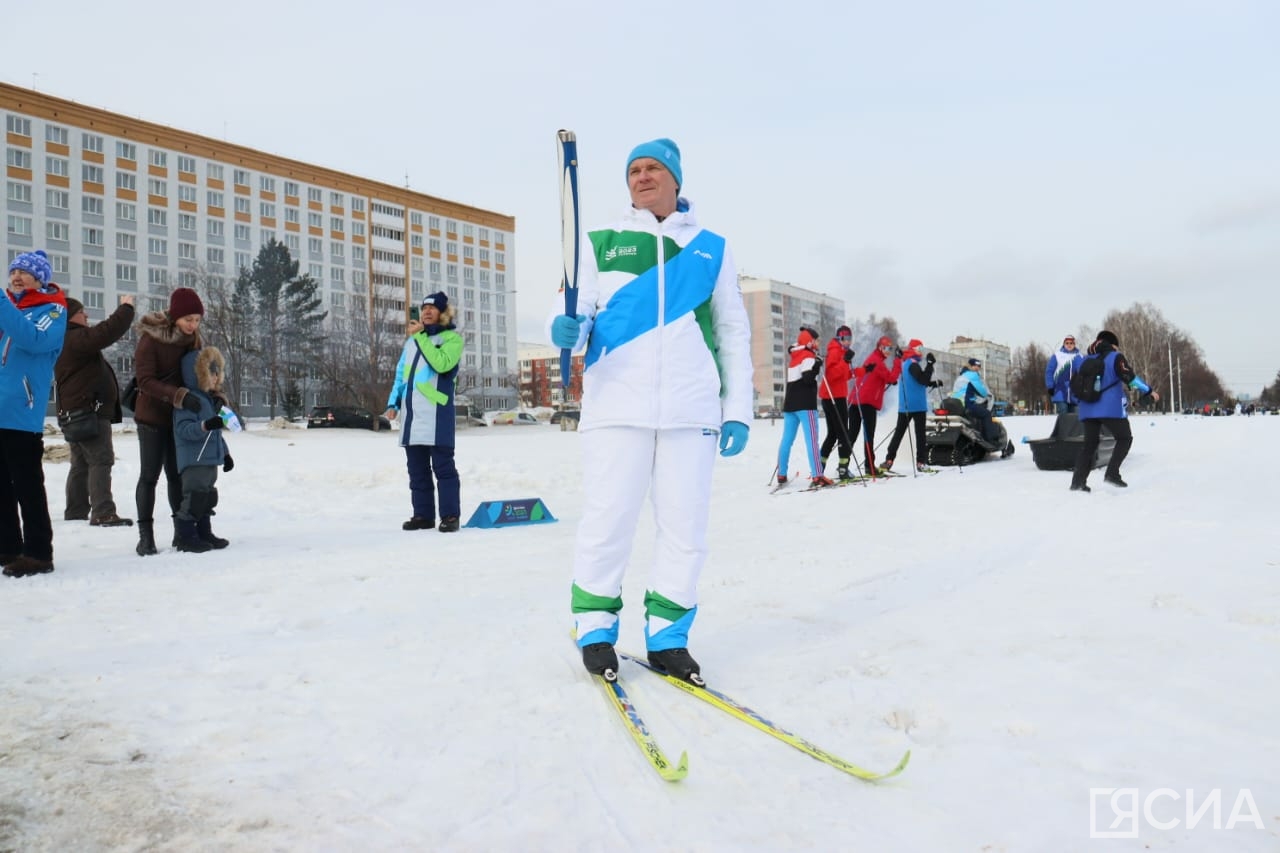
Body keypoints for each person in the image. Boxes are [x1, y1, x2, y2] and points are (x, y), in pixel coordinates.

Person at [549, 137, 753, 686]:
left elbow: (733, 329)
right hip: (617, 405)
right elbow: (576, 310)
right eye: (633, 170)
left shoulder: (711, 247)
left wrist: (737, 408)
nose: (641, 177)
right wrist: (566, 329)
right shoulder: (600, 242)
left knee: (685, 529)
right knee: (608, 520)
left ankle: (668, 637)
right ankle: (594, 629)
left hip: (691, 408)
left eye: (652, 168)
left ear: (676, 179)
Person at [0, 251, 68, 578]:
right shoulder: (9, 312)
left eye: (24, 273)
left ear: (39, 279)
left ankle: (39, 552)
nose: (16, 277)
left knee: (27, 484)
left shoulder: (52, 310)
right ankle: (8, 547)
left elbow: (34, 339)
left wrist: (2, 303)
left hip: (22, 414)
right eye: (13, 271)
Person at [133, 287, 204, 556]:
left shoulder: (193, 339)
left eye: (197, 319)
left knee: (177, 476)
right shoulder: (152, 339)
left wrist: (215, 394)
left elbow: (203, 372)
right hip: (151, 416)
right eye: (188, 319)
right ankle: (145, 536)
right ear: (175, 317)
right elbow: (145, 381)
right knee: (149, 476)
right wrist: (179, 396)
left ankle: (181, 533)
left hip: (178, 418)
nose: (193, 325)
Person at [385, 291, 464, 533]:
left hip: (436, 416)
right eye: (424, 307)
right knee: (417, 471)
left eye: (433, 308)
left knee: (444, 469)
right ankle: (423, 515)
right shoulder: (411, 343)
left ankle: (450, 516)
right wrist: (393, 403)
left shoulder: (452, 339)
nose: (427, 311)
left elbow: (441, 364)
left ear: (443, 313)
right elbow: (401, 375)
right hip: (412, 417)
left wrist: (420, 336)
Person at [54, 295, 136, 527]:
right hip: (89, 412)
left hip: (74, 413)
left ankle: (76, 511)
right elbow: (106, 332)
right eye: (82, 312)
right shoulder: (75, 338)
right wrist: (126, 308)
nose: (87, 315)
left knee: (80, 463)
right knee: (101, 459)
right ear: (70, 317)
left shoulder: (64, 340)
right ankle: (103, 511)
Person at [1070, 330, 1159, 492]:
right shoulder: (1115, 357)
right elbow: (1130, 379)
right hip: (1110, 407)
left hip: (1087, 408)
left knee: (1089, 445)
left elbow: (1075, 385)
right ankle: (1112, 473)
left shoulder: (1082, 360)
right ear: (1112, 345)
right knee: (1124, 438)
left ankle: (1078, 482)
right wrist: (1149, 391)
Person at [171, 346, 235, 552]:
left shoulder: (210, 400)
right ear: (198, 374)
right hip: (194, 459)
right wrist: (205, 425)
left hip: (209, 459)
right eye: (211, 373)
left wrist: (225, 454)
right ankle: (185, 536)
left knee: (208, 497)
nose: (215, 378)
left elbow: (216, 434)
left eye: (217, 373)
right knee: (194, 497)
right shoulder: (188, 401)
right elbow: (183, 430)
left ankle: (204, 532)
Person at [775, 326, 833, 488]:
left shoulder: (795, 355)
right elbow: (807, 378)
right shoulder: (808, 356)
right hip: (805, 405)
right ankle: (817, 475)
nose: (817, 343)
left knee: (787, 440)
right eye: (816, 340)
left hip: (790, 405)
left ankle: (781, 473)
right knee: (812, 441)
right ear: (810, 341)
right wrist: (817, 364)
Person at [882, 339, 943, 472]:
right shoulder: (912, 364)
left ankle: (889, 459)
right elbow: (922, 379)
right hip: (916, 406)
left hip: (905, 405)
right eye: (919, 348)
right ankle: (921, 462)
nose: (921, 352)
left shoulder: (906, 363)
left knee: (899, 433)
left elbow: (918, 381)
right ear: (913, 349)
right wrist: (930, 365)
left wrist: (933, 383)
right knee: (920, 435)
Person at [848, 335, 901, 475]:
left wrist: (888, 380)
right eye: (886, 348)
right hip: (866, 402)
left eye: (890, 348)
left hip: (856, 401)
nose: (888, 351)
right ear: (879, 347)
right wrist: (898, 361)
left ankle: (843, 465)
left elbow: (884, 378)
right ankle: (869, 466)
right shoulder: (877, 361)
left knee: (852, 434)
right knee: (868, 435)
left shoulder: (874, 358)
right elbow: (891, 377)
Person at [817, 324, 855, 479]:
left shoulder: (841, 351)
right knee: (843, 433)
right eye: (845, 339)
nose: (848, 342)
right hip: (834, 398)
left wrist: (862, 371)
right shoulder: (834, 350)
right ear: (839, 338)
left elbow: (844, 376)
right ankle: (843, 468)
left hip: (835, 395)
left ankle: (819, 466)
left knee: (833, 434)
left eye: (850, 339)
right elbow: (831, 375)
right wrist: (845, 362)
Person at [951, 358, 999, 443]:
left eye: (978, 366)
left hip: (957, 404)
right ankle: (990, 440)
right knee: (987, 414)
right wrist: (987, 395)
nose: (977, 368)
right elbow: (983, 392)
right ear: (970, 366)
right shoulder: (973, 375)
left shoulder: (960, 377)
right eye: (974, 366)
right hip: (967, 403)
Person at [1045, 335, 1083, 414]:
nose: (1069, 345)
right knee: (1063, 415)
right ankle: (1062, 426)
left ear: (1074, 344)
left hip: (1075, 393)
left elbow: (1084, 372)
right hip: (1060, 391)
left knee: (1075, 418)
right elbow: (1049, 371)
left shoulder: (1080, 356)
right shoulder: (1057, 355)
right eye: (1067, 343)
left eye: (1071, 343)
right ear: (1064, 344)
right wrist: (1050, 386)